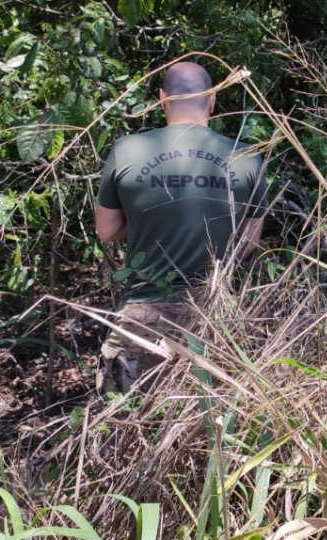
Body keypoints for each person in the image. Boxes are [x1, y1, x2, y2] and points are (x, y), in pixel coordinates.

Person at [95, 61, 266, 394]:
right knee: (209, 433)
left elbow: (107, 230)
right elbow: (247, 244)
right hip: (215, 322)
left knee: (122, 429)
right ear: (213, 100)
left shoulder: (127, 150)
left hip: (141, 318)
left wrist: (150, 220)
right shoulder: (247, 157)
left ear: (162, 98)